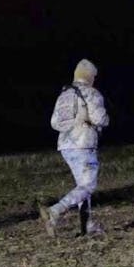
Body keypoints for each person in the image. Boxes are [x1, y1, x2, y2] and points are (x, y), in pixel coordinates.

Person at [42, 59, 110, 236]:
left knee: (82, 186)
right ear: (90, 77)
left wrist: (73, 123)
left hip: (65, 146)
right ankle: (55, 211)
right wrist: (96, 120)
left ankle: (87, 225)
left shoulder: (64, 95)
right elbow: (100, 119)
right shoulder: (91, 93)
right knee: (89, 185)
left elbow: (54, 123)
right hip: (84, 144)